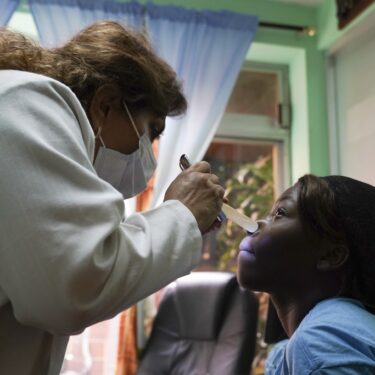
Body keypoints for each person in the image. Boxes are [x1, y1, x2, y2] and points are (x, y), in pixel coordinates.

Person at [0, 21, 225, 374]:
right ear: (106, 104)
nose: (150, 155)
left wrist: (179, 221)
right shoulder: (28, 101)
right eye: (151, 131)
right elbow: (71, 289)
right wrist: (181, 213)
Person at [237, 174, 375, 374]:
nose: (254, 226)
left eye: (280, 213)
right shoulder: (293, 349)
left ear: (330, 255)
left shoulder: (322, 342)